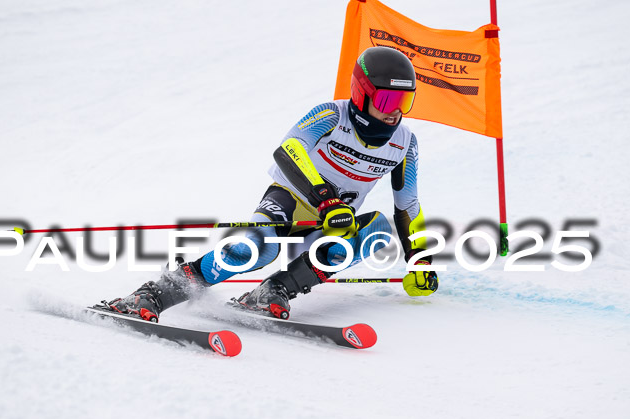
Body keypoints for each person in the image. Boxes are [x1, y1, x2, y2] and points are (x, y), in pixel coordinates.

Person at [102, 46, 438, 322]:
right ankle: (153, 294)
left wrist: (419, 259)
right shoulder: (331, 116)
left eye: (403, 102)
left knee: (377, 232)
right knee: (254, 249)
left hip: (333, 220)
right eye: (387, 102)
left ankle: (273, 290)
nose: (395, 113)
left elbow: (407, 205)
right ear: (362, 95)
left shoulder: (405, 143)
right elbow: (288, 151)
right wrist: (325, 199)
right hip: (291, 201)